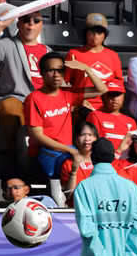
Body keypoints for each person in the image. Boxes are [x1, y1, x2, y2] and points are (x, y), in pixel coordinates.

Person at [23, 52, 107, 183]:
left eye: (60, 71)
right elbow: (37, 136)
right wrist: (70, 150)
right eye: (51, 70)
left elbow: (102, 90)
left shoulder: (68, 94)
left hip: (66, 154)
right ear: (42, 73)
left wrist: (86, 68)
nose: (56, 75)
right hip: (45, 156)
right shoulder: (34, 98)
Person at [0, 11, 50, 150]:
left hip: (43, 101)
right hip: (16, 98)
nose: (31, 24)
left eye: (36, 20)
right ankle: (14, 160)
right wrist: (0, 27)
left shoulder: (48, 51)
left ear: (42, 25)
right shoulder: (7, 44)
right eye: (26, 19)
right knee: (10, 110)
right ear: (19, 23)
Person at [74, 137, 137, 256]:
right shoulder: (131, 187)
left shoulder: (84, 187)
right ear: (113, 158)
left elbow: (88, 230)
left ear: (92, 158)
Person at [64, 13, 123, 115]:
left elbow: (118, 84)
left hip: (106, 107)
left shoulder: (113, 56)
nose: (95, 36)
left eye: (99, 32)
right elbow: (66, 82)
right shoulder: (74, 54)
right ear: (85, 33)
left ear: (105, 35)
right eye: (92, 32)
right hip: (82, 107)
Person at [86, 80, 137, 151]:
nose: (114, 98)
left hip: (125, 160)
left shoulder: (131, 121)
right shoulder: (95, 115)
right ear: (103, 97)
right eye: (110, 94)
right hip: (104, 158)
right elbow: (92, 142)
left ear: (124, 97)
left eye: (118, 94)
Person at [61, 121, 97, 203]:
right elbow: (68, 195)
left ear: (96, 138)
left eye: (90, 135)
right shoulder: (68, 164)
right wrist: (74, 171)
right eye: (82, 135)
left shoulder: (101, 163)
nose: (87, 139)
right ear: (75, 139)